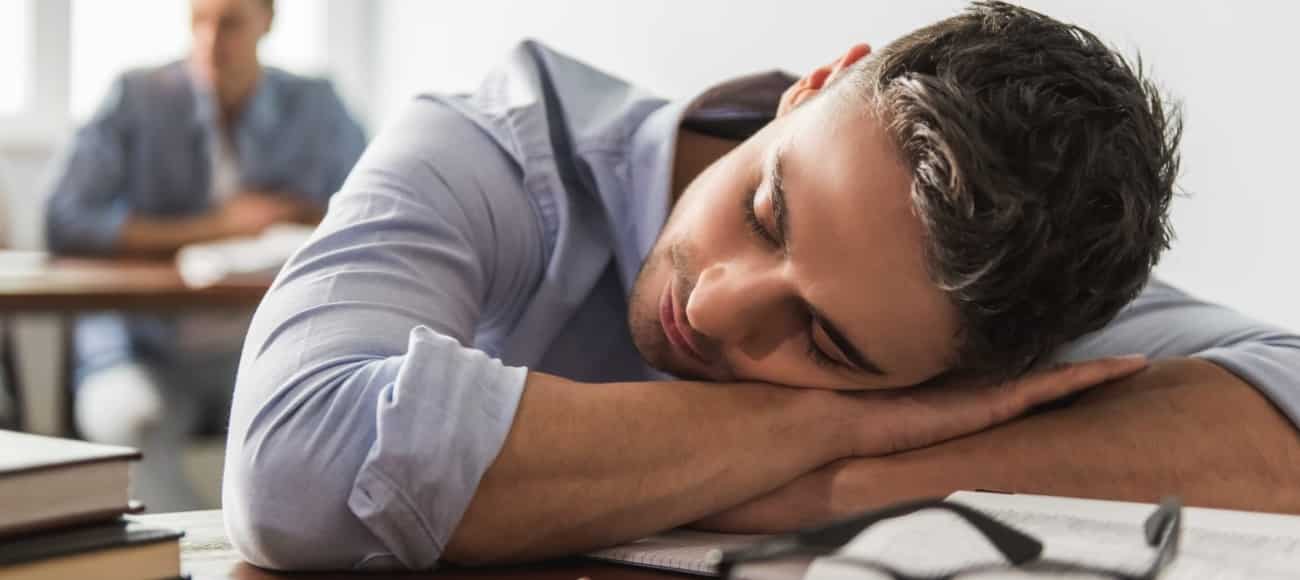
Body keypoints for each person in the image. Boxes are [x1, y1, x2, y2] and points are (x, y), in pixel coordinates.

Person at [224, 1, 1300, 571]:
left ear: (977, 370)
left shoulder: (1002, 291)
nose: (720, 303)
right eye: (766, 210)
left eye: (827, 346)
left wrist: (849, 486)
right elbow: (289, 469)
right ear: (816, 87)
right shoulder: (498, 144)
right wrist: (821, 426)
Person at [44, 0, 365, 511]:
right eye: (200, 21)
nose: (212, 41)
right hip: (144, 350)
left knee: (348, 420)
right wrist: (217, 227)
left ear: (268, 21)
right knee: (131, 425)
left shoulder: (317, 107)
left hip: (270, 347)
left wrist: (299, 222)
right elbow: (66, 220)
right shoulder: (135, 98)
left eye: (231, 22)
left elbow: (370, 215)